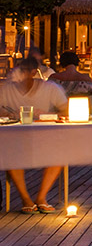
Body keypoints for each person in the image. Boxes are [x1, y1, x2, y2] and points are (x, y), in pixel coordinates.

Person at [1, 58, 73, 213]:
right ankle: (26, 199)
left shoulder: (50, 88)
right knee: (11, 155)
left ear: (33, 72)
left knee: (59, 155)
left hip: (44, 137)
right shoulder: (6, 89)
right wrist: (6, 113)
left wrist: (48, 115)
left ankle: (41, 197)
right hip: (15, 138)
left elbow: (67, 110)